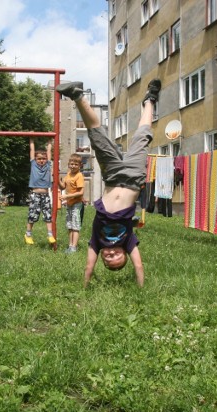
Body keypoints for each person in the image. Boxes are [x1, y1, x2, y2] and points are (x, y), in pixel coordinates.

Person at [56, 78, 161, 288]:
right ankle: (150, 100)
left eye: (108, 258)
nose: (111, 253)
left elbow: (88, 267)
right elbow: (139, 267)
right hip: (132, 177)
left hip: (112, 176)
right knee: (143, 136)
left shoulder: (96, 241)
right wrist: (141, 290)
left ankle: (76, 94)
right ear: (125, 254)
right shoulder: (129, 240)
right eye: (116, 257)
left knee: (97, 136)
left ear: (102, 256)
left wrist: (85, 287)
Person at [24, 137, 57, 245]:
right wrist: (32, 140)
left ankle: (49, 234)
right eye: (39, 158)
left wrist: (49, 142)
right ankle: (28, 234)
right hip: (35, 194)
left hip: (46, 194)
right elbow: (32, 151)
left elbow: (49, 152)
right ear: (35, 159)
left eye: (43, 158)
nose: (41, 160)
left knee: (48, 214)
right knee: (33, 215)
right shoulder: (33, 164)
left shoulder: (48, 165)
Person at [59, 153, 85, 254]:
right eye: (71, 164)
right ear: (69, 164)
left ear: (80, 165)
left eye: (76, 164)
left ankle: (74, 247)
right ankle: (70, 246)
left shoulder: (79, 176)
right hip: (70, 204)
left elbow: (81, 193)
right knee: (69, 225)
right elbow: (62, 187)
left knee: (75, 226)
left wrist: (66, 196)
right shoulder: (68, 174)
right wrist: (56, 177)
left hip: (77, 204)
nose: (73, 166)